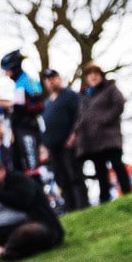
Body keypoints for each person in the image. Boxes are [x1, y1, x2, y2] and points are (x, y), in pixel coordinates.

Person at [0, 157, 64, 262]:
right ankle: (4, 254)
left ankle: (10, 251)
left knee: (27, 232)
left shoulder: (18, 179)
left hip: (32, 225)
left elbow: (23, 201)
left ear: (2, 170)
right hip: (2, 233)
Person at [73, 64, 128, 202]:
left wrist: (106, 119)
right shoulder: (84, 95)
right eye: (89, 74)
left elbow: (119, 104)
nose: (93, 76)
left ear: (100, 75)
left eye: (95, 73)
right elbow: (81, 116)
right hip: (93, 141)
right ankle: (105, 198)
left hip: (110, 137)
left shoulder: (110, 88)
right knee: (100, 170)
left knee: (117, 165)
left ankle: (127, 192)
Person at [39, 68, 86, 210]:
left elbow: (79, 116)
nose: (51, 81)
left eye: (53, 77)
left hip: (68, 144)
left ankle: (82, 205)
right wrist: (44, 147)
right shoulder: (47, 103)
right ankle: (70, 207)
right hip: (53, 147)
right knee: (61, 178)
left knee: (74, 175)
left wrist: (74, 135)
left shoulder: (70, 96)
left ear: (59, 78)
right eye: (48, 79)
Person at [0, 51, 47, 173]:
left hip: (28, 128)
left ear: (14, 68)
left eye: (7, 70)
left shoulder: (27, 80)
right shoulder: (19, 83)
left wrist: (4, 104)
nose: (7, 74)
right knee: (19, 166)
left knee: (32, 166)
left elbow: (33, 102)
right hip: (18, 129)